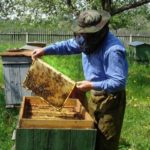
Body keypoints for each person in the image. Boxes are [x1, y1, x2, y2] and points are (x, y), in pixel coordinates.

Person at [32, 9, 128, 150]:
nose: (82, 37)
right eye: (82, 33)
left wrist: (91, 84)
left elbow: (118, 82)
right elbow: (68, 45)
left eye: (86, 34)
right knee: (91, 134)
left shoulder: (113, 50)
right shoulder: (88, 39)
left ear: (98, 32)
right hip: (95, 94)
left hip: (111, 99)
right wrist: (45, 50)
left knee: (106, 141)